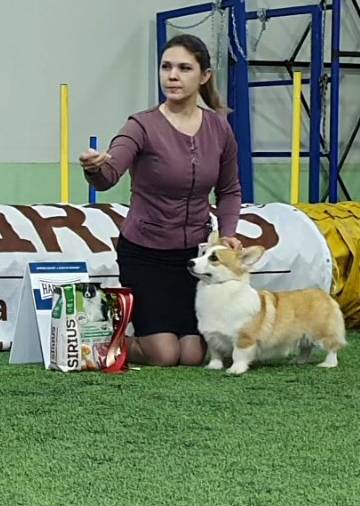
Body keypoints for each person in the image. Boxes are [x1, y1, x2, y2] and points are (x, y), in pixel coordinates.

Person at [81, 33, 243, 367]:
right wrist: (95, 169)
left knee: (194, 354)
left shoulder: (220, 129)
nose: (172, 75)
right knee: (165, 355)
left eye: (184, 68)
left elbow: (229, 190)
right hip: (145, 256)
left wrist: (228, 232)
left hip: (192, 259)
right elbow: (109, 175)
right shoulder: (141, 125)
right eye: (166, 67)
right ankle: (108, 336)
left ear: (204, 76)